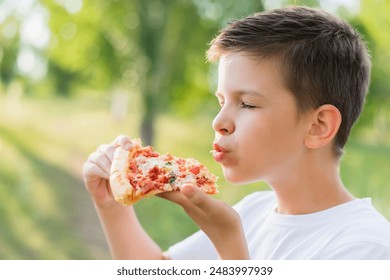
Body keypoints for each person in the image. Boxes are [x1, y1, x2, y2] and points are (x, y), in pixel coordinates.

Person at [82, 6, 390, 259]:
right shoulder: (255, 209)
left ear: (318, 126)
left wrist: (230, 246)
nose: (219, 122)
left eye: (247, 104)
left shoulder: (366, 247)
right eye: (221, 101)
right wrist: (111, 206)